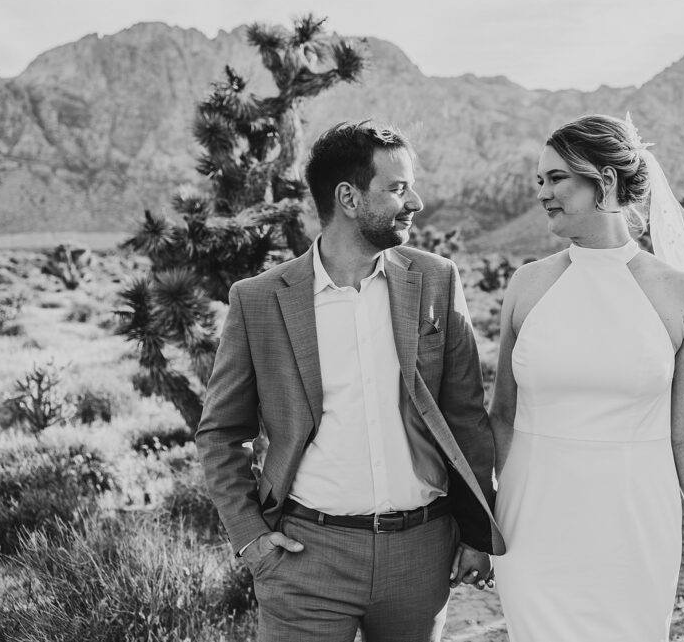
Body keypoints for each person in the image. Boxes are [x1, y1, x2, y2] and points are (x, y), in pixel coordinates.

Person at [195, 120, 504, 642]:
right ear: (349, 198)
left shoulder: (436, 279)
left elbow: (465, 415)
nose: (416, 203)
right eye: (398, 188)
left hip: (421, 553)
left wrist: (477, 530)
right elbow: (221, 432)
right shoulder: (260, 299)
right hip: (306, 558)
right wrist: (251, 538)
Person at [490, 114, 684, 641]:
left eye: (558, 178)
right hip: (531, 524)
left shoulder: (678, 295)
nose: (544, 193)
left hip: (634, 527)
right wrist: (482, 525)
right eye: (540, 180)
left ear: (604, 182)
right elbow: (501, 417)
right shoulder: (527, 286)